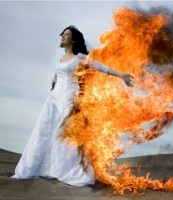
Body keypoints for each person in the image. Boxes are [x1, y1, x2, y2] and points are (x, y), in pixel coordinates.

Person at [11, 25, 134, 186]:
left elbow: (101, 68)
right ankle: (43, 169)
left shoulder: (80, 57)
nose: (62, 36)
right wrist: (54, 80)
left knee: (64, 136)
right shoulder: (61, 59)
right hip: (54, 99)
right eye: (62, 34)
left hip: (70, 99)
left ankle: (67, 171)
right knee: (45, 132)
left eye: (66, 34)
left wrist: (122, 75)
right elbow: (58, 72)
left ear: (73, 39)